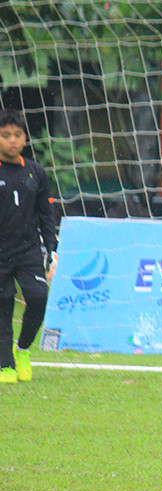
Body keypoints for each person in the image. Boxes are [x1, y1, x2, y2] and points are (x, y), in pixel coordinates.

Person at [0, 109, 58, 384]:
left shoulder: (36, 172)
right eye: (6, 135)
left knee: (38, 298)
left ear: (25, 138)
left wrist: (51, 247)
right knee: (3, 307)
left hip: (28, 251)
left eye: (18, 135)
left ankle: (22, 350)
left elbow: (46, 215)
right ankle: (5, 365)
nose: (13, 140)